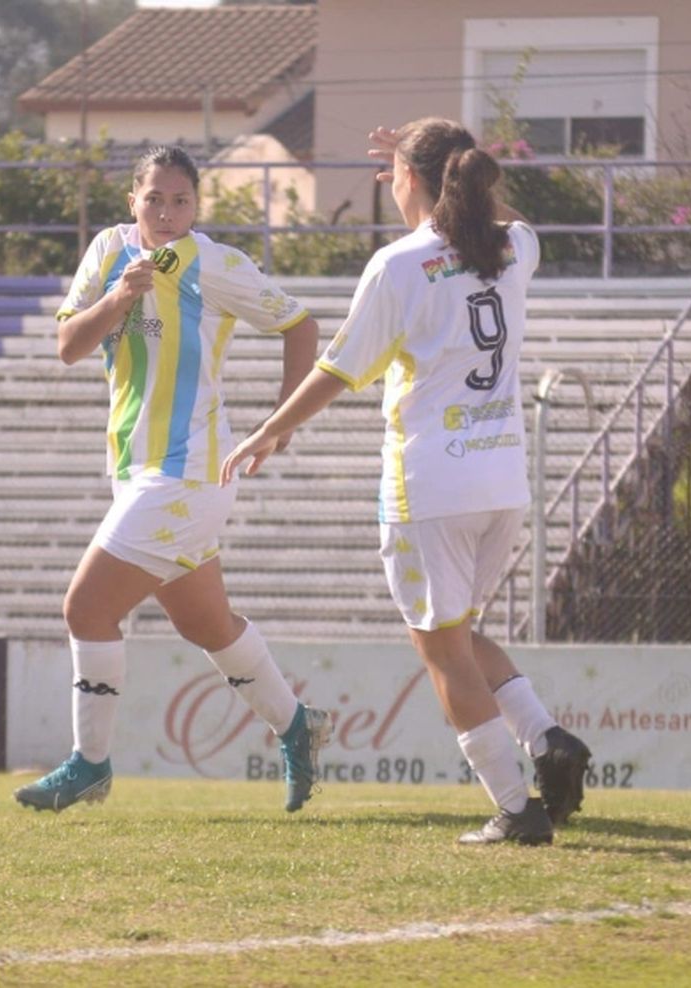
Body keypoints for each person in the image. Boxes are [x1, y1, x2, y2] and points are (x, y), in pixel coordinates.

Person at [221, 120, 591, 845]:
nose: (386, 183)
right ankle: (546, 740)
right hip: (501, 481)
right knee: (460, 634)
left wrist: (272, 428)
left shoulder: (400, 265)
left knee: (442, 651)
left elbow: (336, 368)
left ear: (412, 180)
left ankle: (516, 810)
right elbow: (502, 212)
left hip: (430, 485)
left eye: (391, 172)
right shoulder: (516, 246)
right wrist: (435, 151)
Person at [15, 146, 331, 815]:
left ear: (198, 205)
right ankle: (299, 725)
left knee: (87, 608)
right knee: (206, 623)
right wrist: (117, 297)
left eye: (180, 200)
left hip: (191, 471)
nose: (166, 212)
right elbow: (69, 346)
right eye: (154, 198)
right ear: (132, 200)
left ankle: (89, 765)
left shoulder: (215, 264)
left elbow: (302, 327)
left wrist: (278, 425)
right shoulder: (108, 250)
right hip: (134, 469)